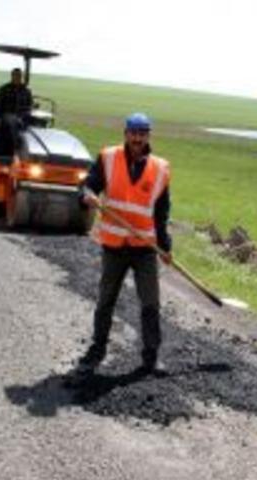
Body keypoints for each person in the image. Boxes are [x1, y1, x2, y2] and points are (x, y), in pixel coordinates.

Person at [72, 112, 173, 379]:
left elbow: (161, 213)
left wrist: (166, 246)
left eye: (142, 133)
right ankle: (97, 350)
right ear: (126, 134)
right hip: (114, 245)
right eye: (133, 132)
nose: (137, 138)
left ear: (148, 136)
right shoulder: (108, 158)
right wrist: (88, 195)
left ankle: (151, 357)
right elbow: (87, 186)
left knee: (150, 302)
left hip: (145, 248)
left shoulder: (160, 168)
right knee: (106, 299)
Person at [0, 67, 33, 158]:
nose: (17, 78)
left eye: (19, 76)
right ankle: (15, 150)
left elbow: (30, 106)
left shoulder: (26, 91)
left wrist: (28, 113)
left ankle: (33, 153)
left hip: (22, 117)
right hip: (6, 117)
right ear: (12, 76)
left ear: (22, 77)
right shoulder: (4, 89)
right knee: (12, 120)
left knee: (35, 121)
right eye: (15, 76)